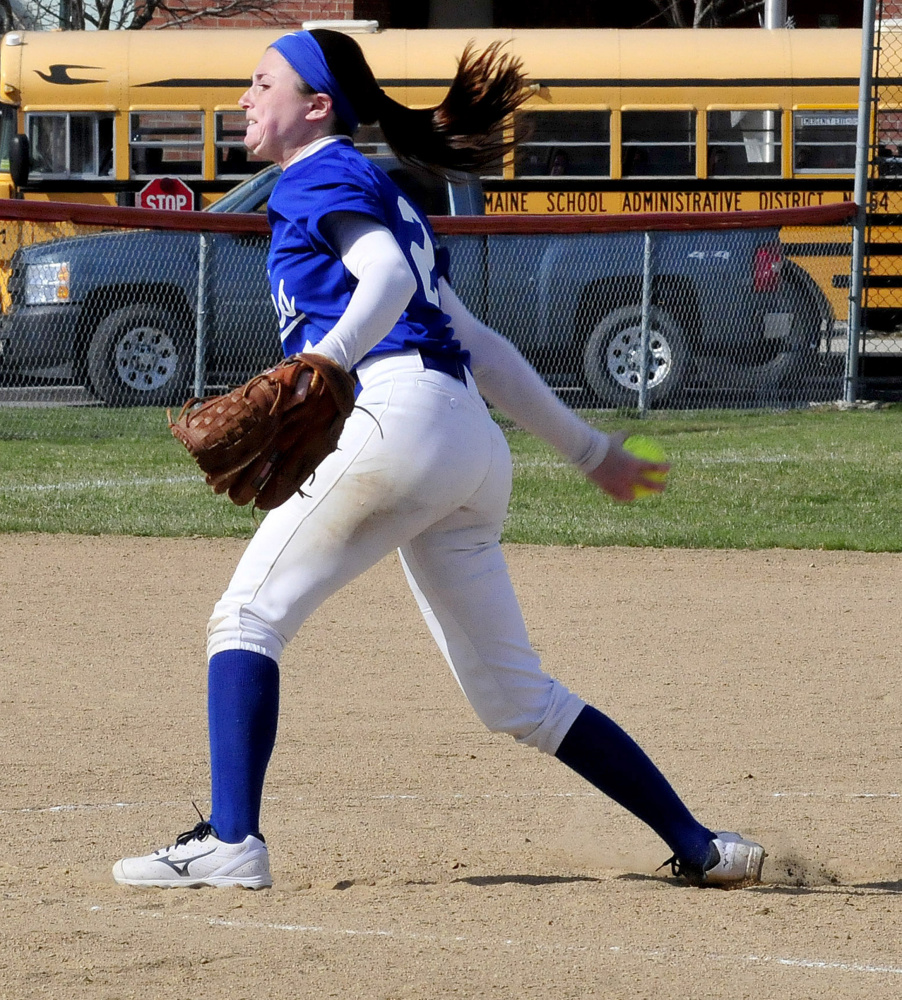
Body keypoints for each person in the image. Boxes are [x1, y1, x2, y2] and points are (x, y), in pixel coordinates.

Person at [113, 28, 764, 891]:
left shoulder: (321, 172)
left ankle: (232, 840)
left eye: (261, 82)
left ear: (317, 106)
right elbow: (481, 346)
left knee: (245, 621)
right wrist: (588, 450)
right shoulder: (384, 189)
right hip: (463, 438)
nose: (243, 98)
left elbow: (380, 280)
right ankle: (700, 843)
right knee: (515, 698)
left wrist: (327, 362)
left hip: (399, 416)